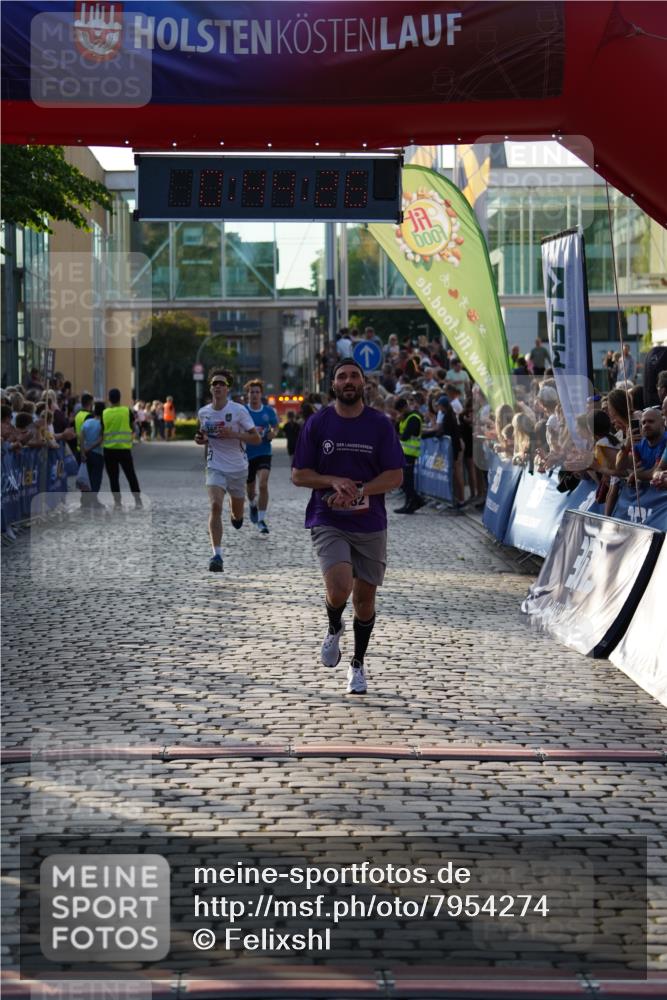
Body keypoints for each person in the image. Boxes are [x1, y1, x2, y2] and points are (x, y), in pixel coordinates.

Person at [291, 359, 404, 695]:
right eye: (342, 376)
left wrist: (359, 490)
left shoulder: (380, 425)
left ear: (364, 384)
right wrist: (332, 481)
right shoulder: (318, 423)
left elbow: (395, 476)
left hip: (370, 522)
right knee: (340, 588)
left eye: (354, 375)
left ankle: (357, 665)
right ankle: (332, 627)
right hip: (329, 520)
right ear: (334, 385)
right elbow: (299, 474)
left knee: (365, 601)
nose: (349, 381)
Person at [195, 369, 261, 572]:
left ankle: (238, 514)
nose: (217, 386)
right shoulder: (203, 412)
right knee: (215, 506)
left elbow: (256, 439)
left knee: (237, 516)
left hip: (238, 468)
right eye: (214, 383)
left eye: (221, 384)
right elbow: (204, 436)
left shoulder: (239, 411)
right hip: (215, 465)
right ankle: (217, 556)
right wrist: (201, 439)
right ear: (211, 388)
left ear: (227, 389)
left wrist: (233, 434)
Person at [243, 378, 278, 534]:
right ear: (248, 395)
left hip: (264, 452)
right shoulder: (243, 411)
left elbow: (275, 427)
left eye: (257, 392)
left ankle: (262, 520)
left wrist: (273, 434)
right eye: (252, 392)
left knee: (263, 484)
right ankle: (252, 504)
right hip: (246, 454)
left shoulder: (268, 411)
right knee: (250, 489)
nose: (254, 395)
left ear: (261, 394)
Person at [102, 388, 142, 509]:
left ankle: (117, 502)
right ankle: (138, 500)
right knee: (131, 475)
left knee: (113, 478)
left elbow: (102, 429)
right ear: (120, 398)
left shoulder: (105, 413)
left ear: (109, 399)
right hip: (124, 450)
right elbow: (134, 427)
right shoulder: (126, 411)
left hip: (109, 450)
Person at [616, 407, 667, 483]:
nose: (646, 425)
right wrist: (627, 446)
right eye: (643, 423)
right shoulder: (640, 443)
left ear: (662, 423)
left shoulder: (665, 440)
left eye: (651, 421)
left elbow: (655, 472)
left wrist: (635, 474)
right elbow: (620, 466)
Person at [393, 396, 425, 514]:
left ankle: (413, 502)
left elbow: (405, 436)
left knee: (407, 480)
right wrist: (398, 421)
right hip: (404, 453)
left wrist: (398, 436)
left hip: (411, 453)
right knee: (405, 480)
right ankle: (414, 502)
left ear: (406, 407)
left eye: (401, 410)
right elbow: (396, 431)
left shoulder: (414, 418)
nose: (400, 413)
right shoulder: (405, 417)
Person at [79, 402, 106, 510]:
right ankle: (93, 500)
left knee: (86, 477)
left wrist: (82, 452)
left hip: (86, 454)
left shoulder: (87, 422)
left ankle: (84, 501)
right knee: (96, 479)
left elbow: (81, 437)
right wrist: (90, 448)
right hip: (97, 454)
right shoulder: (102, 424)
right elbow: (100, 440)